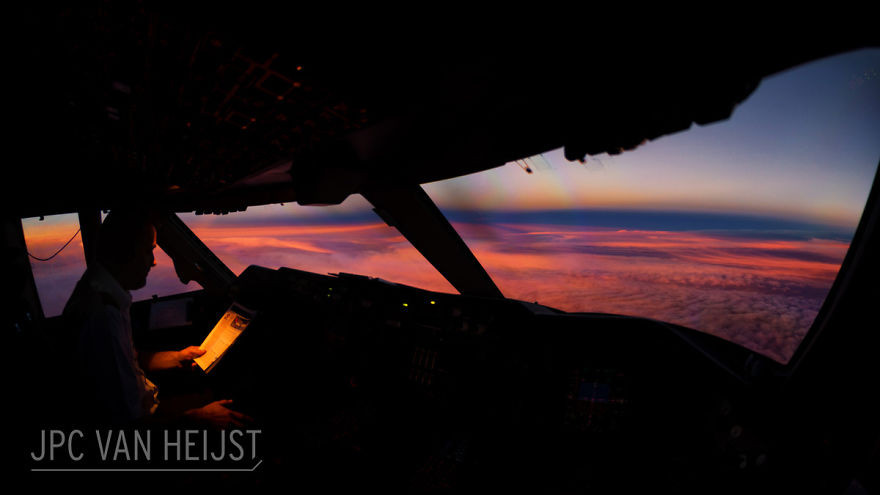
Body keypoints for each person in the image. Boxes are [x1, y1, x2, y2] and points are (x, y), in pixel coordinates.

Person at [63, 209, 250, 429]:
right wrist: (196, 419)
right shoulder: (103, 317)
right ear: (127, 253)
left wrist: (176, 356)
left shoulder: (103, 291)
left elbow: (130, 361)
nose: (153, 262)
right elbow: (126, 429)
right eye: (149, 251)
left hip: (148, 408)